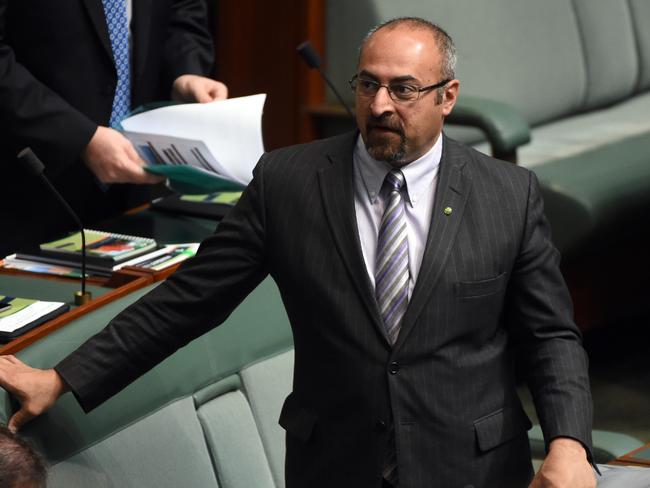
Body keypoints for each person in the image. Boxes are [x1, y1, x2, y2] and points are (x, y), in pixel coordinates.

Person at [0, 17, 596, 488]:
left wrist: (569, 444)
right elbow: (188, 301)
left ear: (448, 96)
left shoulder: (507, 194)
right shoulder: (289, 183)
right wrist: (63, 376)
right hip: (335, 464)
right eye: (368, 84)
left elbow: (550, 337)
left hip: (472, 466)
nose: (381, 104)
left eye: (404, 89)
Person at [0, 0, 226, 256]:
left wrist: (184, 71)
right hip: (27, 191)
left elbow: (182, 10)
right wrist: (80, 137)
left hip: (135, 192)